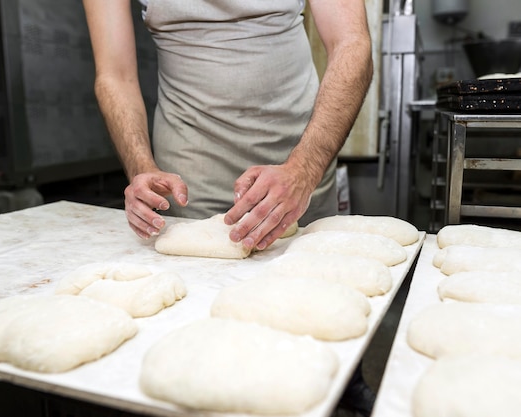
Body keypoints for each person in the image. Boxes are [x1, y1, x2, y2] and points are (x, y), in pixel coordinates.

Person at [83, 0, 374, 415]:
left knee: (319, 307)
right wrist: (141, 168)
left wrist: (304, 170)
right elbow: (115, 73)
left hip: (302, 148)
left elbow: (351, 42)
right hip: (189, 165)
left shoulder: (304, 164)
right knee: (202, 333)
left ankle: (343, 387)